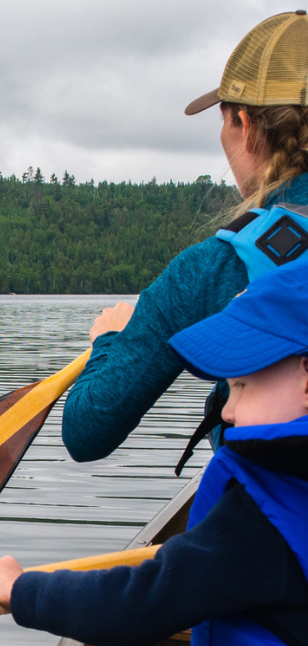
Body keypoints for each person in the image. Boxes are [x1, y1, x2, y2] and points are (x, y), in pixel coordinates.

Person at [0, 260, 308, 646]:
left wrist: (20, 590)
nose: (227, 412)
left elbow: (138, 607)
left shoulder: (256, 527)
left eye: (241, 387)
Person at [63, 10, 308, 464]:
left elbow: (86, 428)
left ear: (245, 126)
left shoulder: (213, 269)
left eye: (224, 117)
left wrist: (110, 340)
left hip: (268, 529)